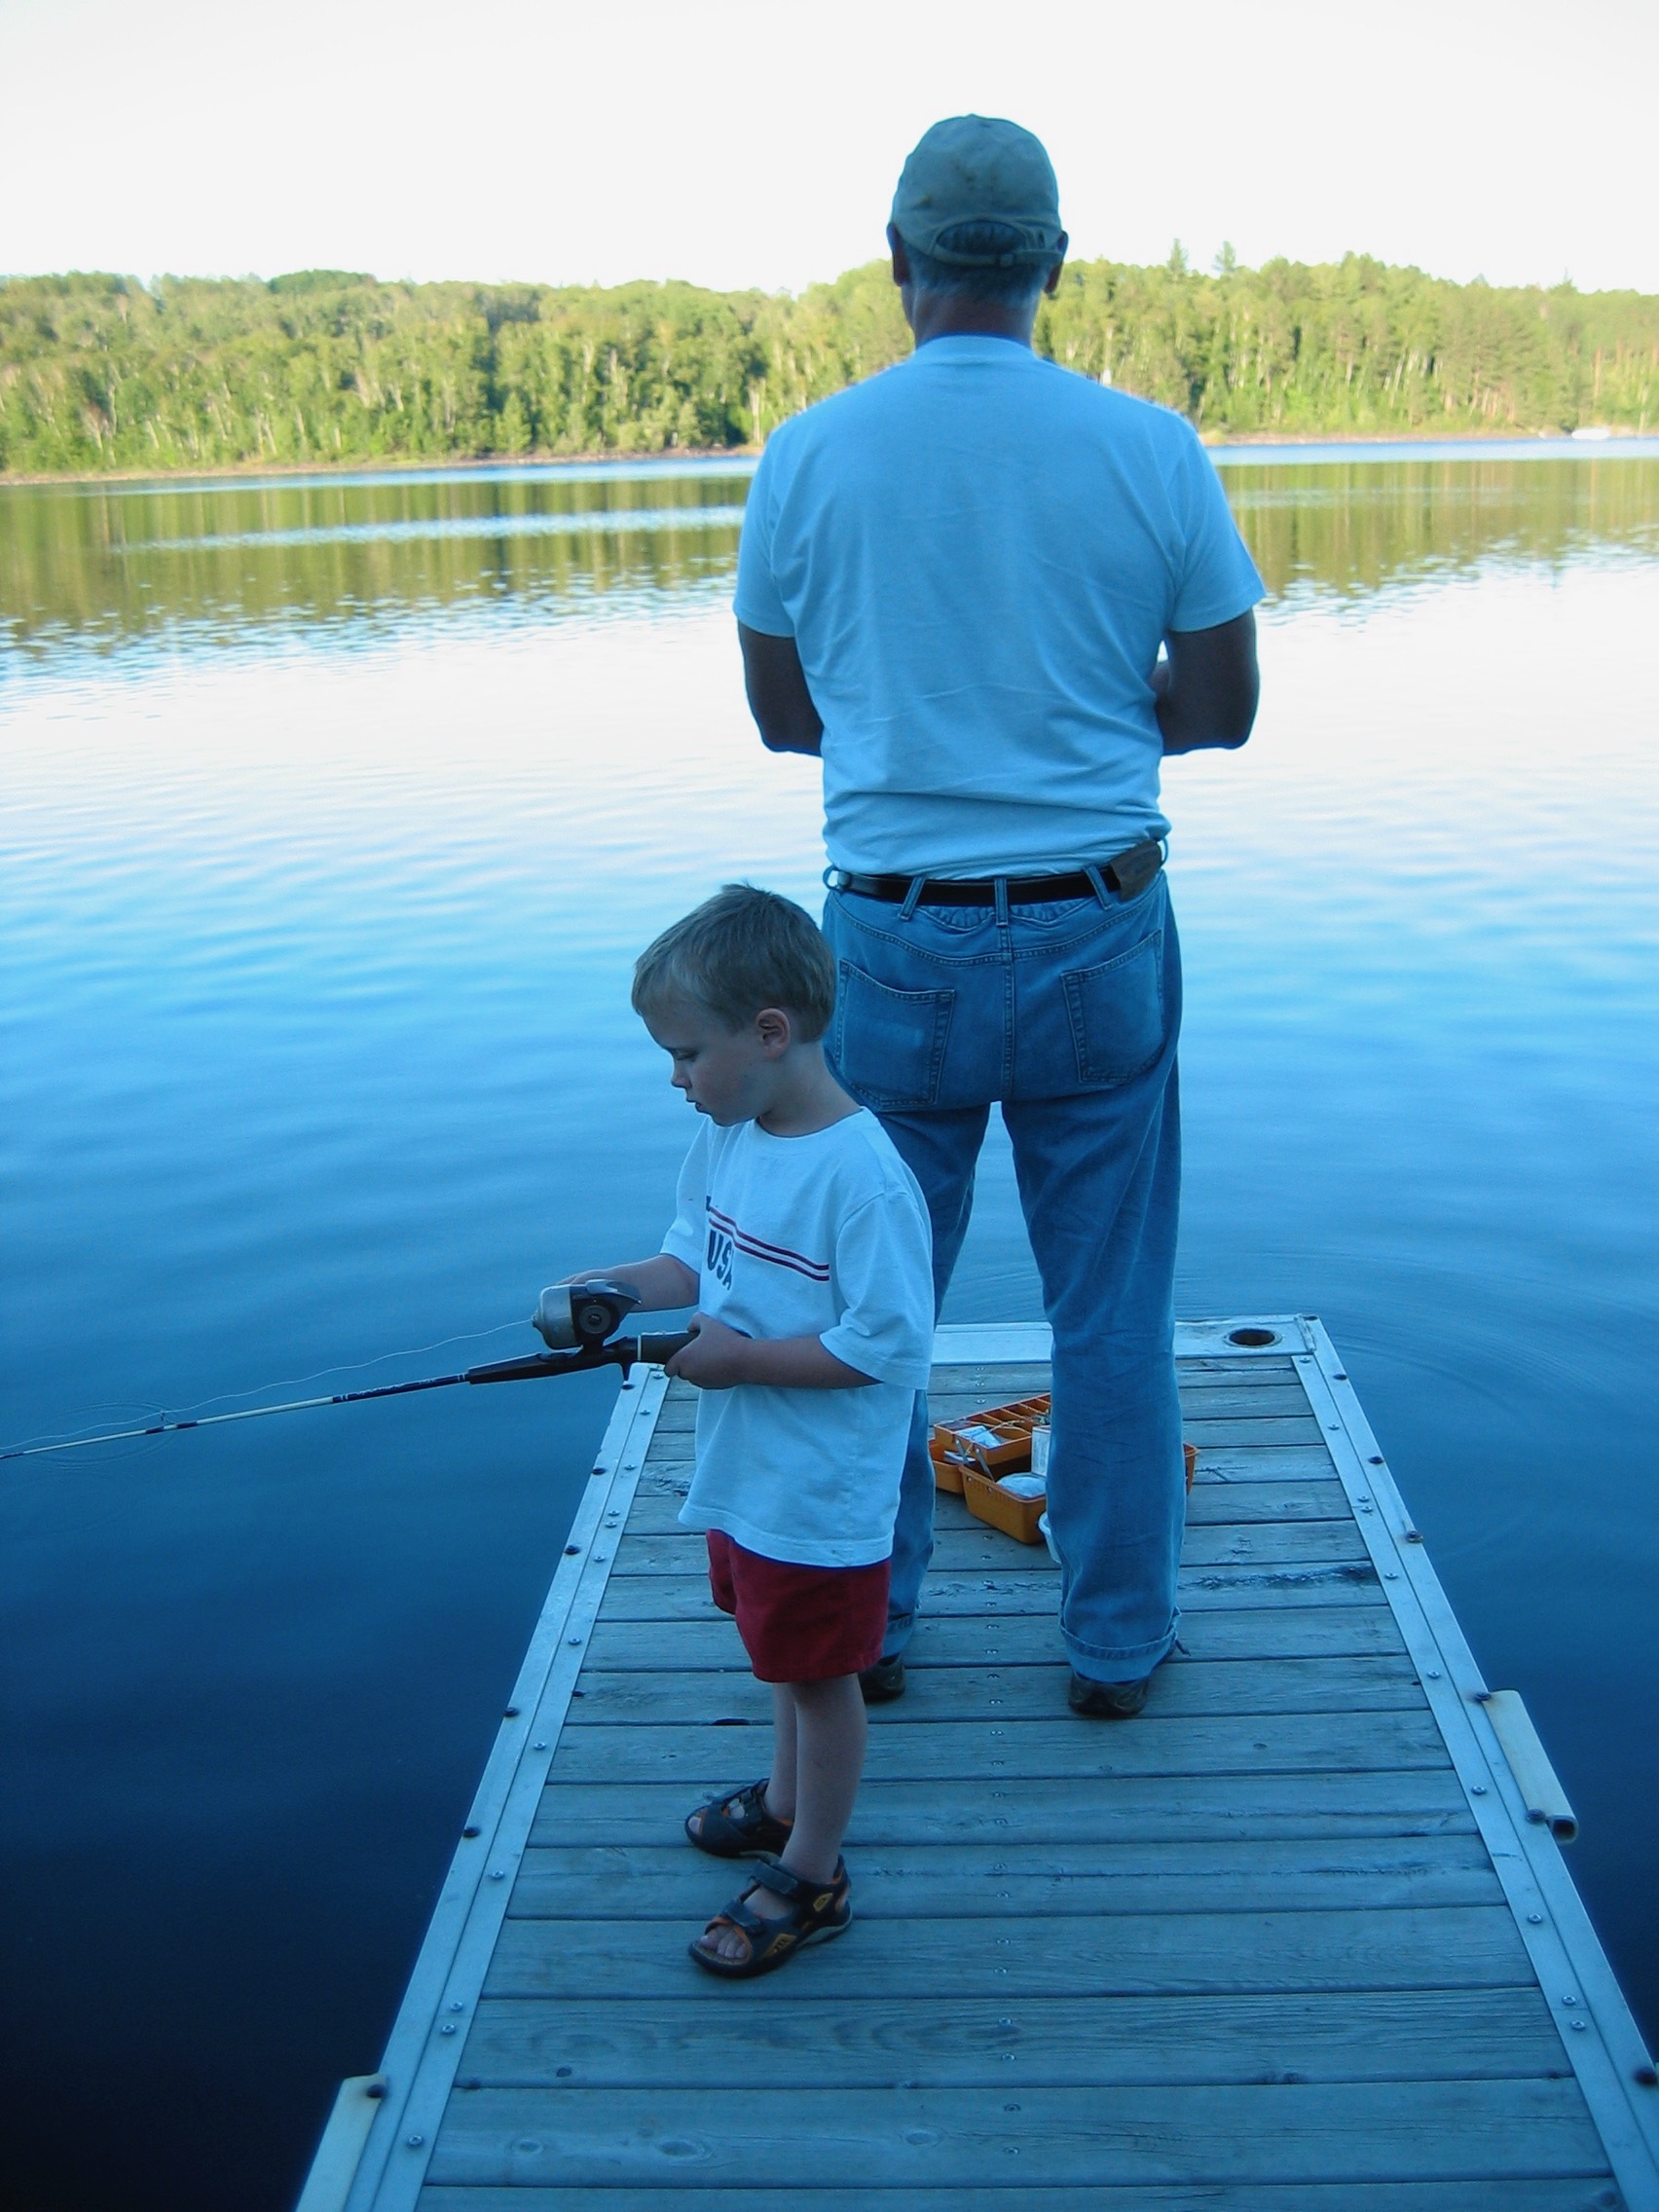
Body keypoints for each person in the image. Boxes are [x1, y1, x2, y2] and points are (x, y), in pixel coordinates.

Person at [733, 115, 1264, 1717]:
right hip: (1099, 926)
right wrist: (1087, 712)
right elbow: (1222, 709)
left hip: (891, 941)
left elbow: (783, 716)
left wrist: (925, 715)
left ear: (898, 259)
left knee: (868, 1303)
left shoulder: (809, 453)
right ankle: (1114, 1643)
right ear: (1052, 265)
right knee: (1109, 1310)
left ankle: (870, 1630)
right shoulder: (1148, 446)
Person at [557, 884, 933, 1976]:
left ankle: (815, 1873)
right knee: (779, 1655)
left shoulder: (864, 1179)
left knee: (822, 1677)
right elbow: (693, 1255)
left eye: (686, 1054)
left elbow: (886, 1349)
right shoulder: (731, 1136)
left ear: (771, 1032)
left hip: (819, 1487)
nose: (675, 1078)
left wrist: (744, 1361)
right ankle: (782, 1801)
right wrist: (616, 1287)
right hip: (747, 1469)